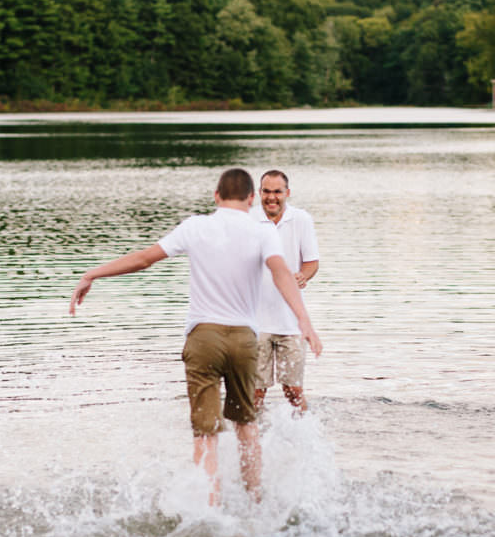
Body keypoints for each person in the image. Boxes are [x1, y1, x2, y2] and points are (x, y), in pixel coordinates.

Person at [69, 168, 322, 504]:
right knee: (247, 427)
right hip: (246, 340)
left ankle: (209, 509)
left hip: (203, 338)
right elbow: (280, 273)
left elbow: (144, 259)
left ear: (216, 196)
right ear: (251, 199)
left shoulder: (195, 226)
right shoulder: (261, 231)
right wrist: (304, 319)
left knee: (206, 434)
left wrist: (92, 274)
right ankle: (256, 502)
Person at [252, 170, 320, 413]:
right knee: (255, 393)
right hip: (255, 322)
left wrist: (303, 275)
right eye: (267, 191)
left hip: (291, 321)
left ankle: (306, 433)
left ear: (287, 194)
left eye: (277, 192)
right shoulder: (248, 221)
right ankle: (252, 442)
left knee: (293, 391)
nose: (272, 197)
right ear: (259, 193)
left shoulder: (301, 219)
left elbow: (312, 263)